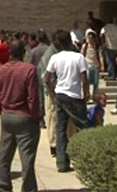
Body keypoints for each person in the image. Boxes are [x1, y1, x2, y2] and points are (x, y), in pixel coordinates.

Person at [0, 39, 41, 192]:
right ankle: (28, 189)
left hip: (7, 115)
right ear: (24, 53)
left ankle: (3, 187)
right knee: (26, 157)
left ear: (9, 53)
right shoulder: (29, 70)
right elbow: (33, 98)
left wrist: (2, 110)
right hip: (24, 116)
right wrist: (35, 116)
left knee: (4, 155)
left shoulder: (2, 70)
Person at [44, 31, 89, 173]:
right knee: (82, 127)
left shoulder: (55, 57)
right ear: (70, 41)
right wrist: (85, 95)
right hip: (75, 96)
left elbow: (47, 78)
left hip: (60, 95)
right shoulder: (79, 57)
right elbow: (84, 78)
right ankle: (85, 159)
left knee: (61, 130)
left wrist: (54, 90)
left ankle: (62, 163)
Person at [81, 30, 104, 101]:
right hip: (87, 66)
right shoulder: (85, 46)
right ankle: (87, 96)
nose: (90, 40)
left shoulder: (97, 47)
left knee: (95, 83)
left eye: (91, 38)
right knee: (86, 82)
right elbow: (81, 55)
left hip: (96, 66)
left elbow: (100, 56)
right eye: (88, 38)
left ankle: (95, 97)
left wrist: (102, 65)